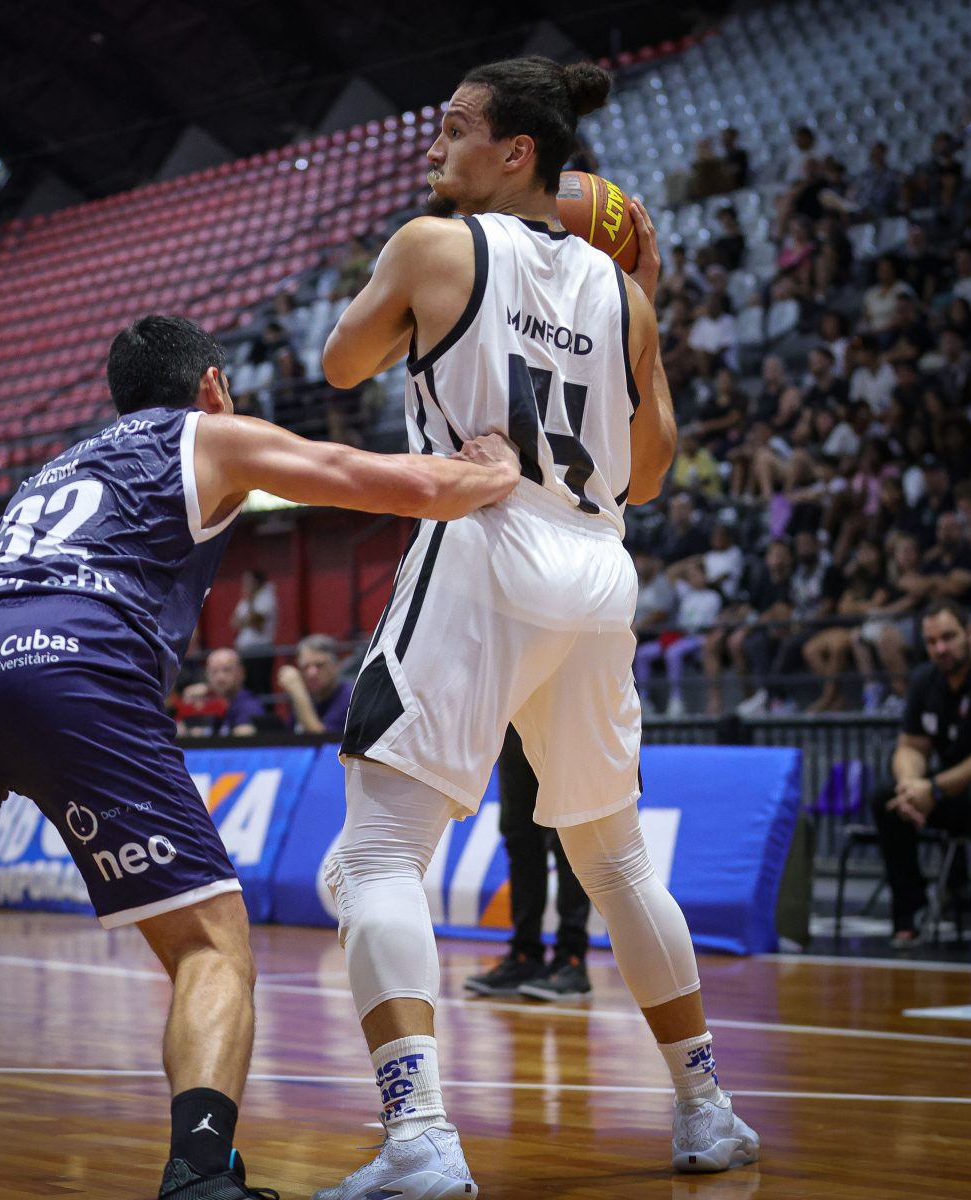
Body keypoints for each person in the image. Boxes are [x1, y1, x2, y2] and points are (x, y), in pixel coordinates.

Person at [0, 315, 520, 1200]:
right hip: (74, 668)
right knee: (210, 943)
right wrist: (490, 471)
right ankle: (199, 1175)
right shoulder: (208, 433)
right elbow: (377, 480)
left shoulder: (50, 471)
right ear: (212, 385)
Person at [313, 55, 758, 1200]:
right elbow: (648, 473)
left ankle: (420, 1138)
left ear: (515, 152)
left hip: (488, 538)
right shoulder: (626, 296)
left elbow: (341, 362)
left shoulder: (433, 246)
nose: (435, 146)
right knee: (616, 859)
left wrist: (445, 320)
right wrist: (639, 300)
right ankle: (707, 1111)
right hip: (598, 570)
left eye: (456, 128)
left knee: (374, 857)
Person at [870, 600, 971, 951]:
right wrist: (911, 785)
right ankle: (911, 913)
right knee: (886, 797)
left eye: (949, 638)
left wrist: (934, 788)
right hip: (946, 793)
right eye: (932, 641)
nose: (940, 648)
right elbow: (910, 747)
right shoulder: (925, 679)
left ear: (970, 634)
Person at [463, 725, 591, 999]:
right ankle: (525, 955)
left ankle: (571, 959)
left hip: (561, 723)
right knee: (520, 839)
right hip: (514, 723)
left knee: (567, 839)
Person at [178, 647, 271, 737]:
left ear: (241, 673)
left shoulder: (249, 706)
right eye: (214, 671)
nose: (220, 677)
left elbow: (243, 739)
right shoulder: (214, 702)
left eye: (227, 670)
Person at [277, 634, 354, 734]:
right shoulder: (310, 696)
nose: (311, 673)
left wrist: (298, 693)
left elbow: (323, 738)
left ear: (336, 666)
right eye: (305, 667)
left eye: (319, 665)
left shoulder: (349, 697)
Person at [230, 569, 278, 698]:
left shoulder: (266, 597)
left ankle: (265, 711)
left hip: (260, 651)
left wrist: (248, 617)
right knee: (247, 687)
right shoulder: (245, 600)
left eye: (248, 581)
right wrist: (248, 620)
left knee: (261, 687)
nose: (245, 585)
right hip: (245, 652)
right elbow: (234, 622)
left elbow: (258, 624)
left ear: (257, 582)